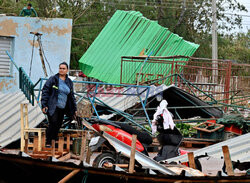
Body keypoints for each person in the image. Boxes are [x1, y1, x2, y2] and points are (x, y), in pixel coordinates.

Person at [41, 62, 77, 145]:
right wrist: (44, 105)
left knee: (58, 125)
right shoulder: (53, 79)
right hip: (53, 106)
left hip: (63, 107)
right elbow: (45, 91)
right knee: (53, 122)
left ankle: (52, 142)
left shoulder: (69, 82)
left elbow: (71, 96)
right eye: (60, 68)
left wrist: (74, 109)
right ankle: (48, 142)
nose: (61, 70)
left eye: (63, 68)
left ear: (67, 70)